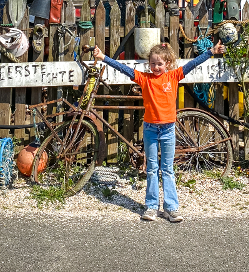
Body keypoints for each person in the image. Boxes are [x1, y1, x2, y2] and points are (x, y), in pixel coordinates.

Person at [92, 39, 226, 222]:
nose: (156, 67)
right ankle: (151, 207)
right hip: (150, 129)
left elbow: (193, 63)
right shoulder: (144, 78)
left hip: (168, 130)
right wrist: (103, 57)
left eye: (160, 64)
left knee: (168, 169)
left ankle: (171, 208)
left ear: (167, 64)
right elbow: (123, 69)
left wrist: (211, 51)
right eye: (153, 63)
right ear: (149, 64)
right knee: (152, 168)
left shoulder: (174, 76)